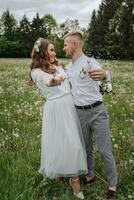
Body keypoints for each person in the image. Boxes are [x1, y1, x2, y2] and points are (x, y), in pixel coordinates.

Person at [29, 37, 88, 199]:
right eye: (51, 49)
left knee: (72, 141)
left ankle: (73, 178)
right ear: (42, 53)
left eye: (54, 49)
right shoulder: (36, 72)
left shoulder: (59, 66)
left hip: (69, 106)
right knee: (59, 142)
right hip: (56, 108)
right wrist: (54, 80)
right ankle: (64, 173)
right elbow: (48, 81)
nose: (55, 52)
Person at [63, 31, 117, 199]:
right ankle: (90, 175)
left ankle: (112, 184)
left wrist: (106, 75)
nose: (63, 47)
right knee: (86, 148)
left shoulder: (90, 62)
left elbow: (106, 86)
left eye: (65, 44)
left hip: (97, 111)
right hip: (79, 113)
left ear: (75, 45)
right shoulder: (68, 68)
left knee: (104, 149)